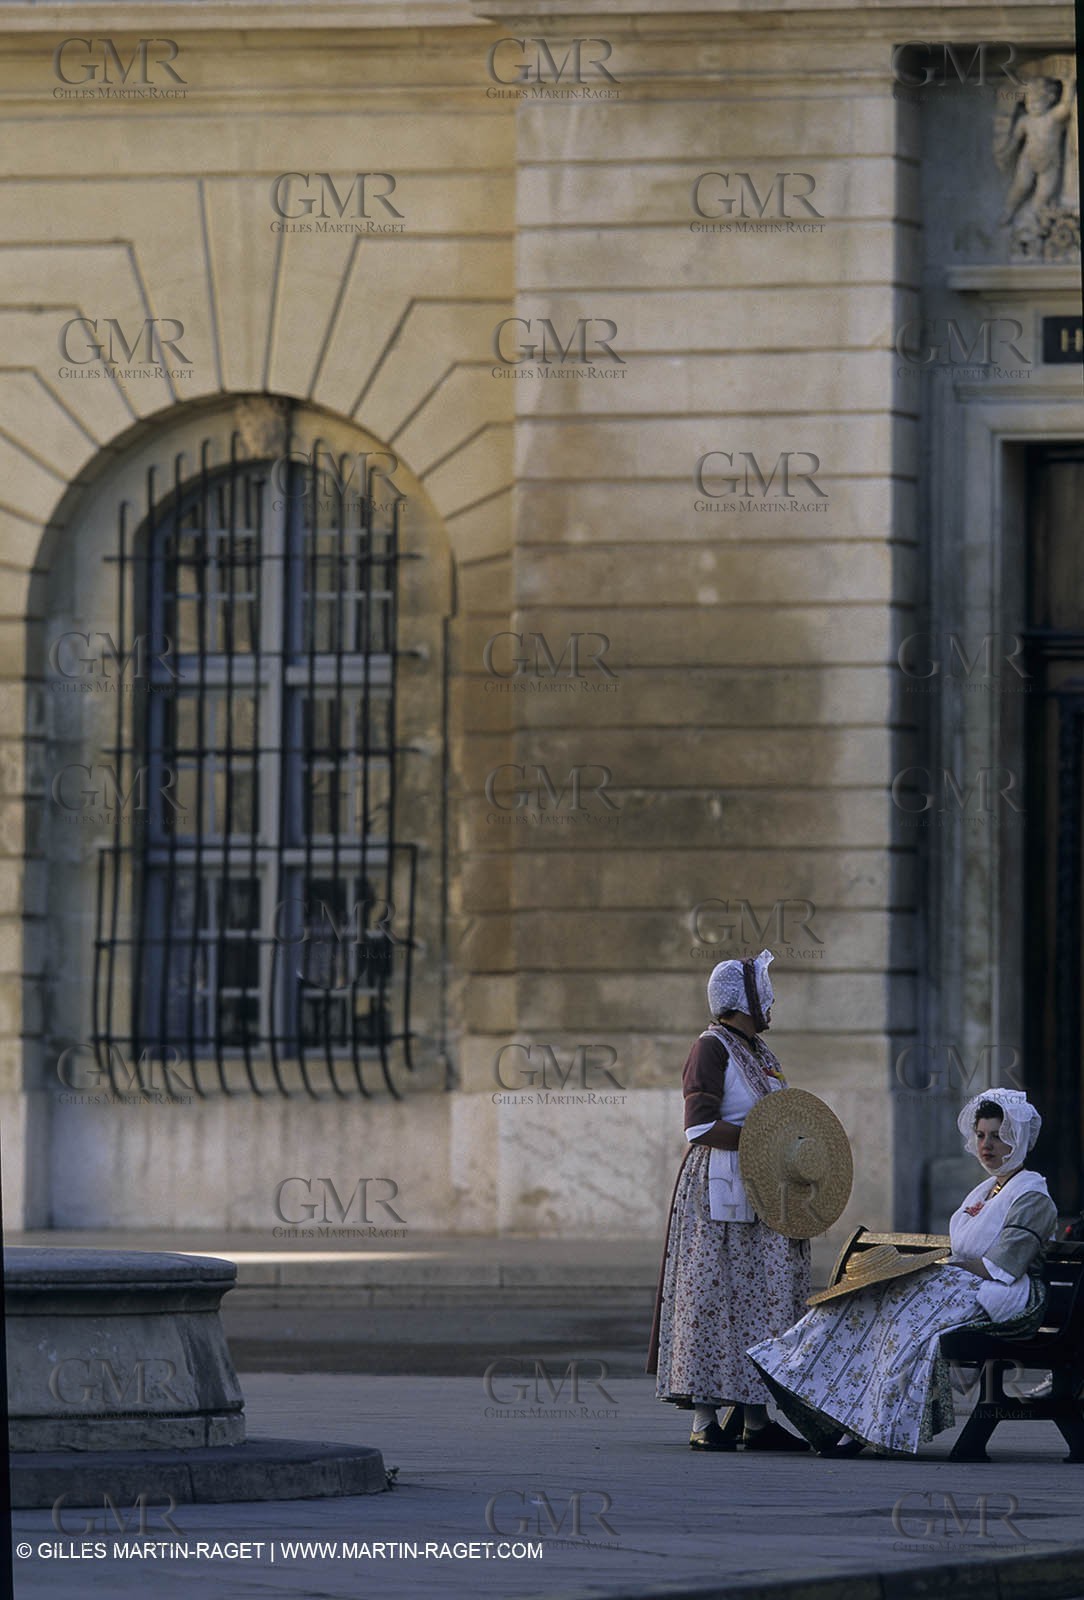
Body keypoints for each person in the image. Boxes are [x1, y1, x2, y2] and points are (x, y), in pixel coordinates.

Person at [747, 1088, 1056, 1456]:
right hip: (964, 1283)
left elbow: (1001, 1267)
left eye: (998, 1136)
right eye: (981, 1135)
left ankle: (871, 1425)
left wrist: (933, 1268)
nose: (987, 1145)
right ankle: (802, 1372)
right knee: (870, 1302)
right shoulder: (984, 1191)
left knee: (907, 1320)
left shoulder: (1032, 1196)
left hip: (1005, 1296)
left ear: (1017, 1140)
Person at [647, 950, 811, 1451]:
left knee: (764, 1299)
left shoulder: (760, 1051)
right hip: (720, 1189)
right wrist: (764, 1138)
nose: (773, 1001)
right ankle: (703, 1421)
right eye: (766, 992)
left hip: (765, 1187)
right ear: (744, 1000)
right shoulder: (711, 1048)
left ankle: (755, 1419)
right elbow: (699, 1125)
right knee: (712, 1297)